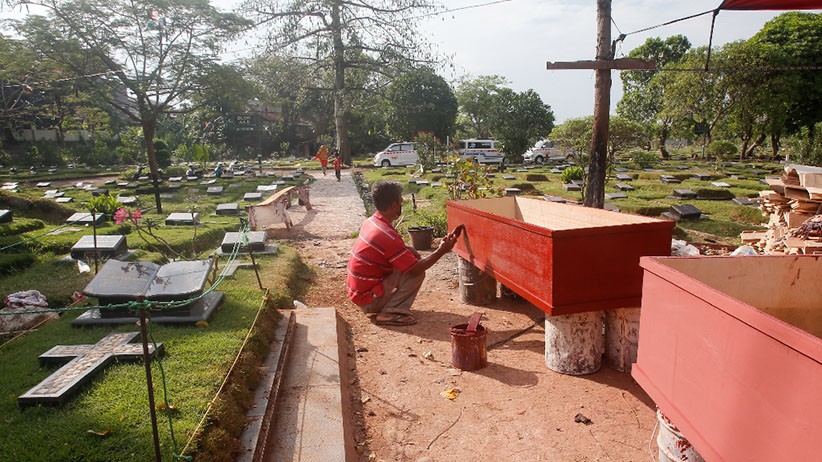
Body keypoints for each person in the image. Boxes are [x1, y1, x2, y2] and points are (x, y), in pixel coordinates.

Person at [347, 180, 458, 326]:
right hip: (367, 299)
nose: (401, 204)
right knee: (417, 273)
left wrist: (408, 250)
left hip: (359, 292)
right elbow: (416, 269)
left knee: (408, 264)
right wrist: (442, 250)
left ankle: (388, 306)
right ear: (394, 205)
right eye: (400, 201)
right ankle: (390, 312)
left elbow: (389, 249)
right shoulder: (387, 235)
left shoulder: (372, 222)